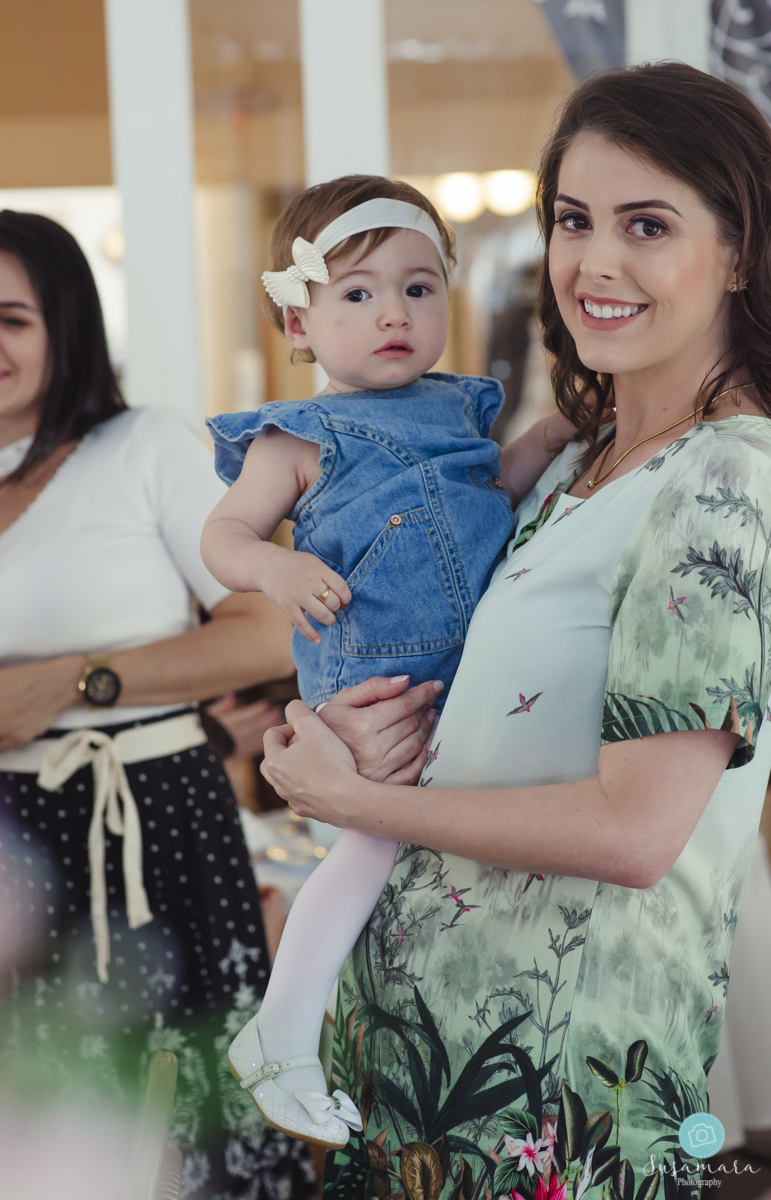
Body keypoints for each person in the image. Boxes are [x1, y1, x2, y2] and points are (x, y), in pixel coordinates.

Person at [258, 63, 771, 1198]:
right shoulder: (571, 465)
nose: (595, 263)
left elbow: (635, 831)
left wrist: (358, 805)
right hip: (416, 1067)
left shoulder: (729, 477)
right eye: (573, 220)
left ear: (739, 253)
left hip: (552, 1089)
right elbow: (454, 678)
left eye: (647, 225)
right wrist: (338, 731)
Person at [201, 175, 583, 1147]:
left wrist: (545, 437)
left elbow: (489, 494)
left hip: (469, 675)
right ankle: (283, 1029)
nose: (394, 315)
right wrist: (276, 568)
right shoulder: (296, 435)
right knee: (370, 844)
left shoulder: (458, 410)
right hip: (372, 682)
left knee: (456, 851)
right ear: (299, 322)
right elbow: (225, 537)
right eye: (359, 294)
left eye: (418, 289)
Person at [0, 210, 315, 1199]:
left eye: (11, 318)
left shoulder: (143, 447)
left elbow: (270, 628)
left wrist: (74, 679)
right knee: (34, 1127)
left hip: (144, 826)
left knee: (177, 1122)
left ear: (67, 327)